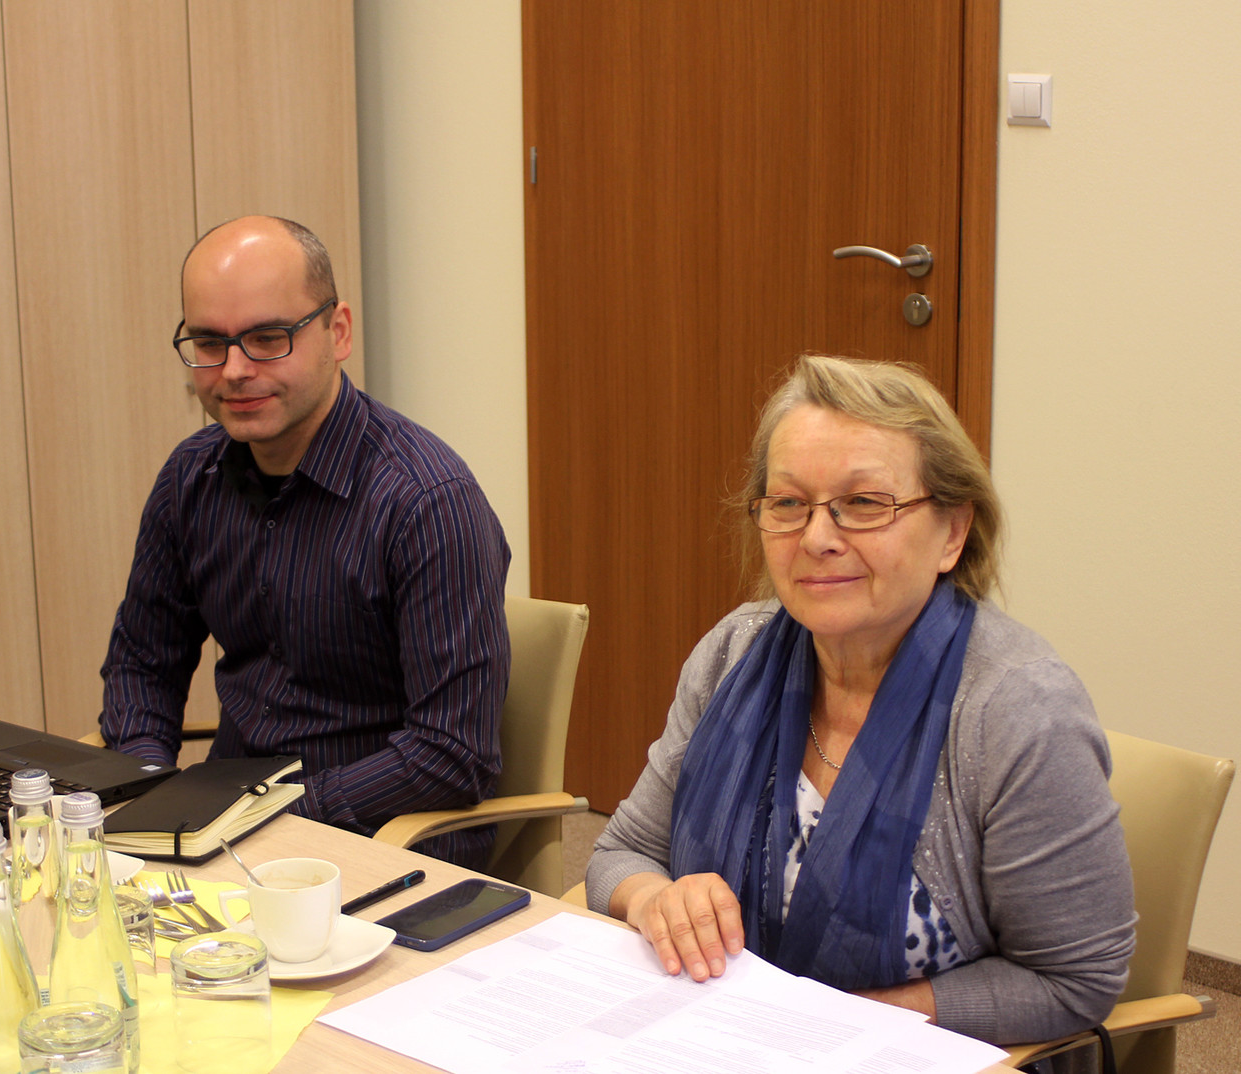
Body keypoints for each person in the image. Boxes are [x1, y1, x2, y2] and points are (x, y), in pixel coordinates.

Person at [587, 353, 1134, 1049]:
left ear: (953, 532)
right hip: (723, 1041)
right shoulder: (732, 652)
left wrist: (852, 1025)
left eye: (866, 503)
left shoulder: (1018, 712)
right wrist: (656, 899)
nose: (817, 538)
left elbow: (1074, 980)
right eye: (789, 504)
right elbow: (623, 851)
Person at [99, 216, 510, 869]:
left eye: (268, 338)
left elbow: (451, 754)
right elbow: (143, 663)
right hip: (224, 833)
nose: (234, 370)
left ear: (337, 332)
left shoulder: (426, 502)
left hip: (383, 845)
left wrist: (270, 815)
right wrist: (145, 786)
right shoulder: (190, 478)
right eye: (209, 343)